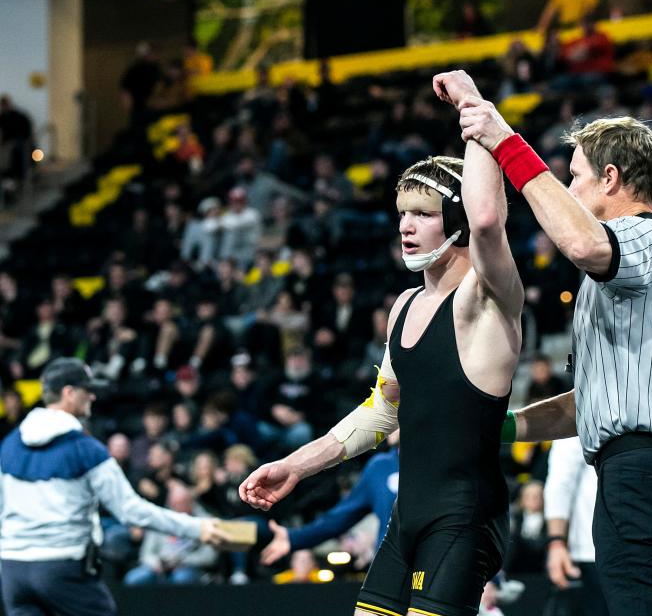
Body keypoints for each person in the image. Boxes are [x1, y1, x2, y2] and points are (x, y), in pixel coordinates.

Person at [432, 70, 652, 616]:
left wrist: (502, 138)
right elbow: (589, 402)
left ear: (610, 179)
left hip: (647, 475)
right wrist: (504, 427)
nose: (568, 190)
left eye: (576, 177)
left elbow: (580, 242)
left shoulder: (642, 236)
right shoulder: (630, 272)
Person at [240, 143, 525, 616]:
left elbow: (490, 223)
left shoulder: (487, 299)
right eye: (402, 213)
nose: (405, 226)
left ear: (457, 218)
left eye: (422, 213)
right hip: (406, 517)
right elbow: (381, 411)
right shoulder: (404, 306)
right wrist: (295, 465)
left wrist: (477, 121)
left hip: (464, 515)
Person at [0, 358, 227, 616]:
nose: (93, 397)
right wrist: (197, 527)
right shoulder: (85, 449)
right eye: (87, 390)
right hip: (60, 566)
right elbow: (131, 511)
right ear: (68, 393)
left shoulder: (8, 445)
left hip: (12, 569)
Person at [260, 431, 400, 565]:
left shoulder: (420, 464)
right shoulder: (380, 467)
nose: (394, 421)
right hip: (392, 567)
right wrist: (294, 538)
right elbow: (341, 516)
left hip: (421, 564)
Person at [543, 436, 608, 616]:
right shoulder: (578, 412)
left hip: (638, 547)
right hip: (591, 551)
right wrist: (556, 543)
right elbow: (560, 482)